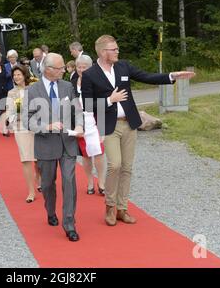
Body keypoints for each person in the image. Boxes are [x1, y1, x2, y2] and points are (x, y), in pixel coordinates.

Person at [81, 35, 195, 226]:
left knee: (127, 167)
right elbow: (86, 104)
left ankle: (122, 209)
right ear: (102, 52)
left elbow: (146, 76)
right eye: (114, 49)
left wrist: (171, 77)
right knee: (114, 165)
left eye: (117, 48)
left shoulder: (124, 66)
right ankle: (109, 206)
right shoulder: (91, 74)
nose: (118, 52)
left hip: (130, 123)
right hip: (109, 125)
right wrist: (110, 100)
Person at [25, 53, 84, 242]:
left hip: (68, 143)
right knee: (48, 184)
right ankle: (50, 211)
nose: (63, 71)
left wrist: (80, 125)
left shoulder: (67, 86)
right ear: (48, 69)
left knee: (69, 181)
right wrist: (46, 127)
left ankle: (69, 223)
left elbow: (78, 110)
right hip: (45, 144)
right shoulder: (33, 90)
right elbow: (27, 120)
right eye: (59, 68)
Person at [6, 65, 41, 203]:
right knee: (26, 159)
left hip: (36, 127)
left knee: (38, 159)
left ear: (24, 75)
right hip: (20, 128)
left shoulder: (33, 89)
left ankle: (39, 179)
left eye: (19, 75)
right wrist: (14, 117)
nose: (16, 77)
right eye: (14, 75)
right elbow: (9, 112)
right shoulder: (11, 93)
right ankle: (31, 191)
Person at [73, 55, 106, 195]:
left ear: (90, 67)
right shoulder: (72, 82)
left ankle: (102, 182)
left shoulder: (97, 81)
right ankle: (90, 181)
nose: (81, 70)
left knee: (98, 152)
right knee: (85, 155)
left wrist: (103, 127)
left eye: (84, 67)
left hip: (95, 121)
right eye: (78, 67)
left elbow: (102, 104)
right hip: (80, 122)